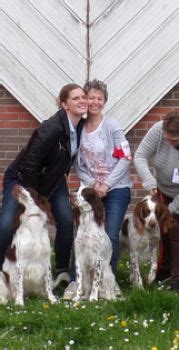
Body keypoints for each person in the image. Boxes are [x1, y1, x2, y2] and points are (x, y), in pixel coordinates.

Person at [0, 83, 87, 282]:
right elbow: (30, 163)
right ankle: (1, 271)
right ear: (65, 104)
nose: (82, 101)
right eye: (75, 98)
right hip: (22, 180)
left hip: (53, 182)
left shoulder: (82, 126)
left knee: (65, 221)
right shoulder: (51, 128)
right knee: (7, 224)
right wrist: (35, 199)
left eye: (83, 97)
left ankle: (62, 272)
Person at [134, 111, 179, 292]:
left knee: (177, 231)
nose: (169, 143)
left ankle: (178, 282)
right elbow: (140, 156)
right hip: (162, 188)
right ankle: (164, 272)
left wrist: (172, 209)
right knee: (161, 231)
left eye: (175, 140)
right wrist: (149, 181)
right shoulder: (158, 131)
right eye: (167, 138)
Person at [73, 79, 132, 274]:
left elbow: (125, 158)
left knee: (110, 234)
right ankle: (76, 281)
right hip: (90, 190)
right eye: (91, 98)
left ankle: (108, 279)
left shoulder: (112, 126)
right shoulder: (78, 127)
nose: (95, 102)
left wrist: (106, 184)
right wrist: (92, 184)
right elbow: (77, 163)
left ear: (105, 101)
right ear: (85, 100)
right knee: (82, 233)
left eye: (100, 98)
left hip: (116, 188)